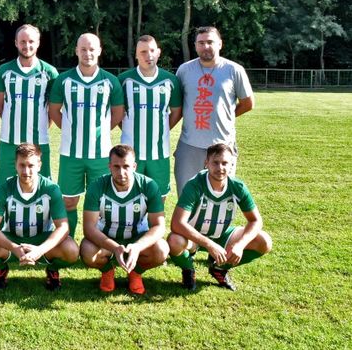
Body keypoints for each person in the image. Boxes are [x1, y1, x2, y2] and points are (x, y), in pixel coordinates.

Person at [168, 143, 272, 291]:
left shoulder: (238, 187)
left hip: (222, 234)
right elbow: (177, 223)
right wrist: (210, 244)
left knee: (264, 241)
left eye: (224, 163)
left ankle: (219, 268)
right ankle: (188, 269)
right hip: (194, 236)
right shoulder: (195, 185)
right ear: (206, 163)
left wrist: (240, 245)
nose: (220, 168)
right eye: (215, 163)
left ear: (231, 165)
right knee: (174, 241)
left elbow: (256, 220)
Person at [49, 33, 124, 236]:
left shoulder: (110, 81)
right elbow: (54, 110)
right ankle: (67, 240)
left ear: (99, 51)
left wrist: (98, 132)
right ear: (76, 51)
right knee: (68, 200)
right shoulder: (63, 80)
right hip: (70, 153)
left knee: (100, 201)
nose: (87, 53)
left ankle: (99, 242)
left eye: (92, 49)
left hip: (100, 154)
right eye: (83, 49)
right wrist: (71, 130)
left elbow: (118, 113)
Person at [0, 143, 79, 291]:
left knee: (71, 250)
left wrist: (40, 250)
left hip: (42, 239)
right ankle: (2, 268)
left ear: (39, 165)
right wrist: (14, 248)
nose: (26, 171)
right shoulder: (5, 188)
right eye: (22, 165)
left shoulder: (51, 189)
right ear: (15, 165)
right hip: (13, 239)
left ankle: (52, 269)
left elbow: (63, 227)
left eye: (31, 165)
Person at [174, 26, 254, 196]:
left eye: (210, 42)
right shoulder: (184, 70)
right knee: (186, 194)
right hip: (190, 145)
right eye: (201, 43)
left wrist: (226, 116)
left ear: (220, 44)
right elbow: (178, 105)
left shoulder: (234, 70)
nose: (206, 46)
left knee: (220, 195)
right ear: (195, 46)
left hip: (222, 144)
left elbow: (247, 103)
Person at [80, 145, 168, 295]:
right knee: (87, 250)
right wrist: (115, 247)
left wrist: (138, 246)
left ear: (134, 166)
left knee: (161, 250)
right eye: (116, 166)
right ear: (109, 166)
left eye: (126, 166)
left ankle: (135, 272)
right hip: (107, 239)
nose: (121, 172)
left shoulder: (148, 186)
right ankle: (107, 271)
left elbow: (159, 226)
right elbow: (89, 228)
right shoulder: (97, 186)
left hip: (137, 237)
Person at [118, 35, 182, 200]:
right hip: (131, 152)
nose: (149, 55)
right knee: (129, 195)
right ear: (136, 55)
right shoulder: (124, 80)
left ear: (158, 52)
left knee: (159, 197)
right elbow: (118, 113)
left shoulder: (170, 80)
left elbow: (176, 111)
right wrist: (130, 128)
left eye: (152, 50)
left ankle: (155, 219)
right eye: (143, 52)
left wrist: (162, 128)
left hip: (159, 153)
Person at [0, 24, 58, 186]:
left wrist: (41, 126)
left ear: (38, 43)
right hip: (9, 141)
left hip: (39, 141)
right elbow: (0, 106)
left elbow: (53, 109)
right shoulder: (4, 71)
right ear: (16, 43)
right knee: (5, 187)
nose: (27, 45)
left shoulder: (50, 73)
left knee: (41, 187)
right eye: (22, 41)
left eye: (31, 41)